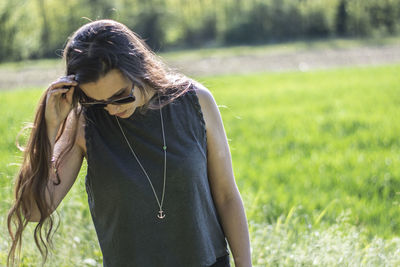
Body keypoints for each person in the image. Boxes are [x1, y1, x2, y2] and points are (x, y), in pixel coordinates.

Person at [7, 19, 252, 267]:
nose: (112, 110)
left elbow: (227, 197)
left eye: (120, 96)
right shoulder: (83, 124)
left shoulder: (195, 102)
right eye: (98, 102)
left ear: (137, 66)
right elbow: (34, 210)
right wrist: (50, 130)